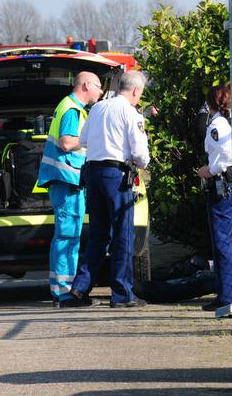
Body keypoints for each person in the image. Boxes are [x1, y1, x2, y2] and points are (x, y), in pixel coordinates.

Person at [68, 70, 151, 308]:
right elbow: (140, 153)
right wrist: (142, 164)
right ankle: (122, 293)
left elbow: (82, 140)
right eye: (140, 93)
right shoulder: (130, 112)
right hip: (116, 175)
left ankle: (80, 289)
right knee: (122, 233)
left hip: (93, 173)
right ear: (135, 90)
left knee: (98, 234)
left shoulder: (98, 108)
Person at [37, 71, 104, 307]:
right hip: (66, 179)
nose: (101, 91)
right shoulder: (72, 109)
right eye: (98, 86)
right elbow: (67, 143)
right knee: (67, 236)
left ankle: (62, 291)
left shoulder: (69, 106)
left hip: (67, 179)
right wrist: (89, 138)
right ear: (86, 85)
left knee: (69, 236)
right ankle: (65, 293)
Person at [196, 84, 232, 312]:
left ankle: (229, 295)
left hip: (224, 187)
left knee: (223, 243)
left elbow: (228, 156)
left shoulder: (217, 124)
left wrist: (209, 169)